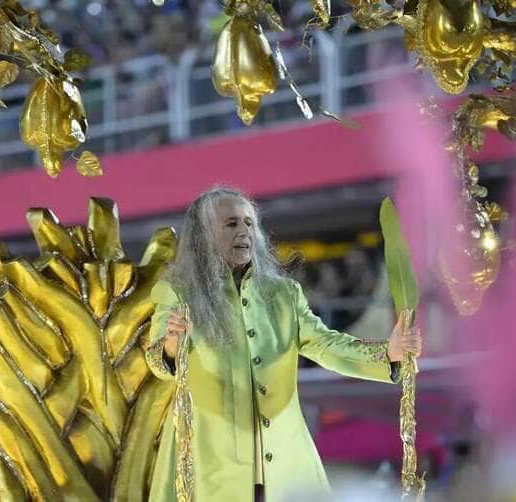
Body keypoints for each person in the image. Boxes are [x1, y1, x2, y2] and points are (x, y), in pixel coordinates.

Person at [144, 187, 422, 502]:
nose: (244, 231)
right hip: (207, 464)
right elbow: (157, 359)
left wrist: (388, 352)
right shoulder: (176, 291)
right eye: (231, 223)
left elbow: (324, 344)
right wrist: (170, 345)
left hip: (285, 462)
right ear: (203, 235)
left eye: (249, 223)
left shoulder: (284, 294)